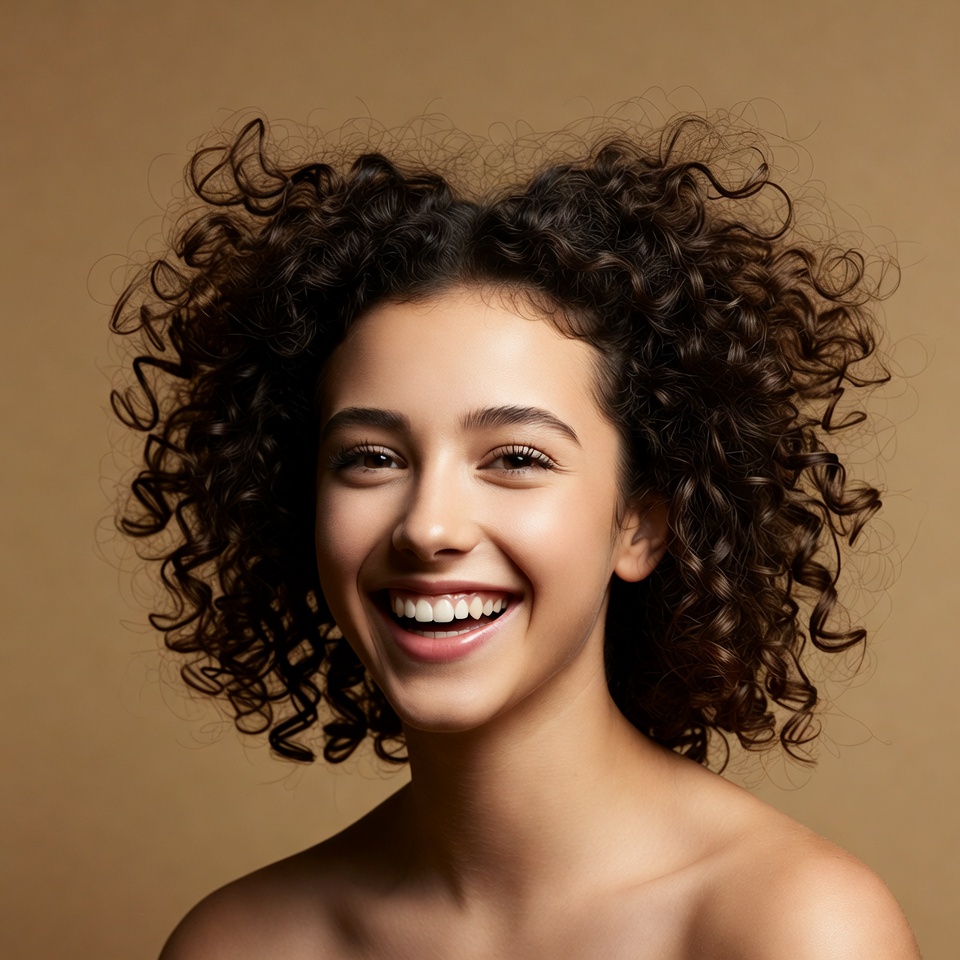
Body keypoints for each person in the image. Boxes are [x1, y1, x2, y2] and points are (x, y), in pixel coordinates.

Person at [111, 112, 920, 958]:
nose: (427, 527)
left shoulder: (792, 928)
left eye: (516, 457)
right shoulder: (241, 944)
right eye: (373, 458)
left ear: (639, 527)